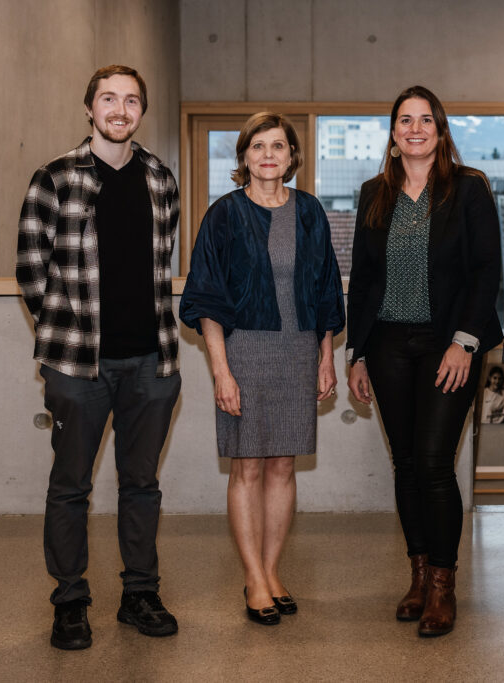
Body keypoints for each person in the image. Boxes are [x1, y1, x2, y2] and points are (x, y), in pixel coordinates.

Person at [17, 65, 181, 650]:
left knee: (142, 484)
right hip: (77, 367)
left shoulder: (160, 179)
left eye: (131, 100)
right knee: (70, 486)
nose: (120, 109)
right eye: (108, 98)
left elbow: (160, 264)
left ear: (142, 111)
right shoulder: (55, 177)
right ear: (89, 107)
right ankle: (70, 600)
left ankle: (140, 593)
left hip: (151, 363)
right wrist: (66, 334)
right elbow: (31, 270)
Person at [346, 85, 502, 637]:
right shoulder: (374, 193)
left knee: (435, 462)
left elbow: (487, 271)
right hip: (386, 343)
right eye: (405, 120)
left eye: (425, 120)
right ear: (393, 134)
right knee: (407, 464)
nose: (415, 129)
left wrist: (465, 341)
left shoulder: (469, 188)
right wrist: (356, 352)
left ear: (440, 130)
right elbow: (363, 278)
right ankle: (416, 576)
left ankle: (442, 582)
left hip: (448, 344)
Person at [180, 112, 344, 626]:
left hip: (298, 351)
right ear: (244, 156)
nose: (268, 155)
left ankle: (272, 571)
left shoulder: (310, 211)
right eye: (258, 146)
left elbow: (325, 290)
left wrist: (326, 358)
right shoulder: (224, 214)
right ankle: (253, 577)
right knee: (247, 467)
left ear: (292, 156)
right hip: (243, 351)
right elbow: (206, 298)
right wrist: (221, 371)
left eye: (278, 146)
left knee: (283, 466)